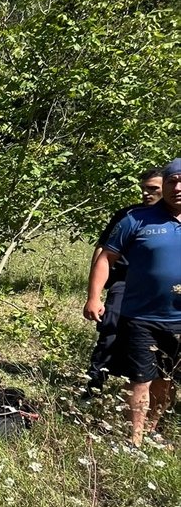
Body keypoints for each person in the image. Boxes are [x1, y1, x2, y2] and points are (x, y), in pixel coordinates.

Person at [84, 159, 181, 448]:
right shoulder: (136, 219)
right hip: (141, 315)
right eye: (171, 181)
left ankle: (153, 428)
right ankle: (134, 441)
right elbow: (105, 258)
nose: (177, 187)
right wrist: (94, 296)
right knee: (140, 379)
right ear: (163, 185)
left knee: (167, 380)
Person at [85, 168, 164, 393]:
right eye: (144, 189)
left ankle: (150, 385)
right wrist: (94, 294)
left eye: (153, 189)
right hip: (125, 283)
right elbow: (103, 250)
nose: (146, 194)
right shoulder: (129, 216)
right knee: (110, 330)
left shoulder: (174, 219)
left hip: (163, 291)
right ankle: (94, 384)